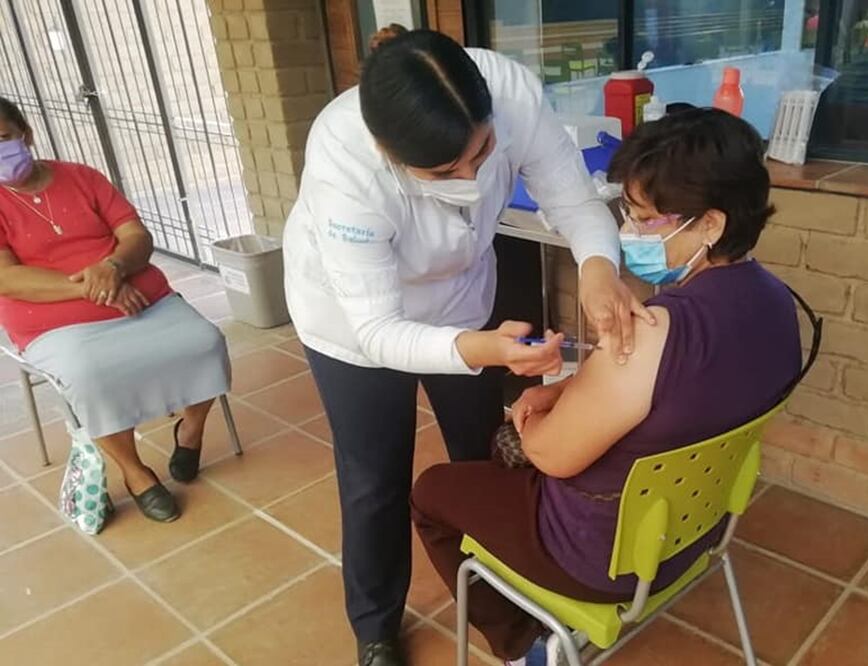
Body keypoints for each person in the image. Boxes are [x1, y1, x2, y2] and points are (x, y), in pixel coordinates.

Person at [282, 26, 649, 666]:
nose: (472, 178)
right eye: (443, 170)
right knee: (374, 479)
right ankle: (374, 627)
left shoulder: (508, 93)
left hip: (461, 296)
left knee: (480, 457)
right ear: (385, 150)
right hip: (353, 325)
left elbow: (576, 203)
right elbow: (377, 330)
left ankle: (507, 602)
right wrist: (486, 351)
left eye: (481, 153)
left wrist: (597, 267)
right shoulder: (344, 165)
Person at [411, 108, 806, 665]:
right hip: (696, 527)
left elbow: (550, 455)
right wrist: (570, 390)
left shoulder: (654, 331)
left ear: (711, 223)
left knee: (434, 492)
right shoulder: (777, 304)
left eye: (646, 219)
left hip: (605, 557)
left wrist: (530, 416)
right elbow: (669, 397)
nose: (628, 232)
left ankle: (525, 645)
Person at [0, 97, 231, 523]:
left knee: (204, 341)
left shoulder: (81, 177)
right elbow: (7, 278)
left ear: (25, 135)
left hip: (137, 293)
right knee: (92, 375)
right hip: (54, 320)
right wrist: (98, 289)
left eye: (3, 138)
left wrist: (114, 266)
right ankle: (135, 471)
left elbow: (135, 235)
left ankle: (191, 430)